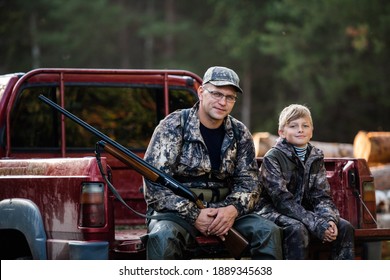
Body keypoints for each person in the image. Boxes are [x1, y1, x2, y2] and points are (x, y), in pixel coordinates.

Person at [143, 66, 282, 260]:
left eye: (230, 97)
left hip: (226, 210)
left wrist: (231, 210)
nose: (222, 102)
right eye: (216, 93)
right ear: (201, 92)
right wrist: (194, 215)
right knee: (163, 237)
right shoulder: (173, 126)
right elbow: (154, 187)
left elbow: (250, 185)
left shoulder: (240, 133)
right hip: (177, 213)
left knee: (268, 232)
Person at [255, 104, 355, 259]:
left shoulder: (315, 157)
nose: (300, 130)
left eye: (305, 126)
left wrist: (329, 220)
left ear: (311, 131)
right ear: (281, 132)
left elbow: (321, 196)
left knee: (344, 227)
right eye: (293, 126)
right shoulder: (272, 158)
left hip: (304, 212)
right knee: (297, 228)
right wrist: (316, 223)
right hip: (272, 211)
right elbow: (282, 201)